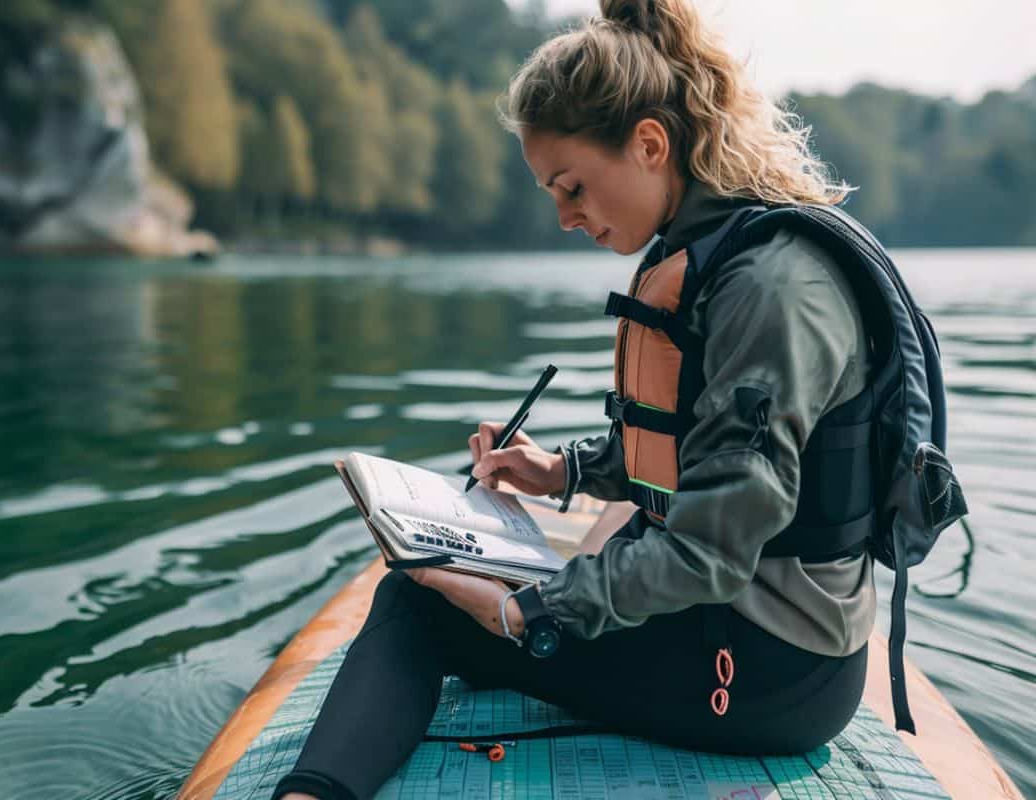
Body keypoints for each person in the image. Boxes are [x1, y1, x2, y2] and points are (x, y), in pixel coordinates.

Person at [274, 0, 883, 797]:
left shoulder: (770, 289)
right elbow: (700, 453)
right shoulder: (726, 251)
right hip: (754, 636)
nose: (564, 217)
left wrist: (526, 613)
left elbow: (709, 551)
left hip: (767, 674)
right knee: (590, 540)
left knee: (415, 601)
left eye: (572, 187)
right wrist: (560, 472)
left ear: (650, 144)